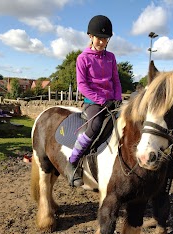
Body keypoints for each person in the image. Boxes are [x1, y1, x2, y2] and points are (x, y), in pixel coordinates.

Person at [64, 15, 122, 187]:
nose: (103, 42)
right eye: (99, 38)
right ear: (90, 36)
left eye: (106, 39)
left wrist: (117, 98)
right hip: (93, 102)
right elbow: (82, 85)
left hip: (112, 101)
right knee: (95, 125)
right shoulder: (83, 58)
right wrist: (102, 100)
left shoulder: (111, 57)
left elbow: (116, 80)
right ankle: (73, 162)